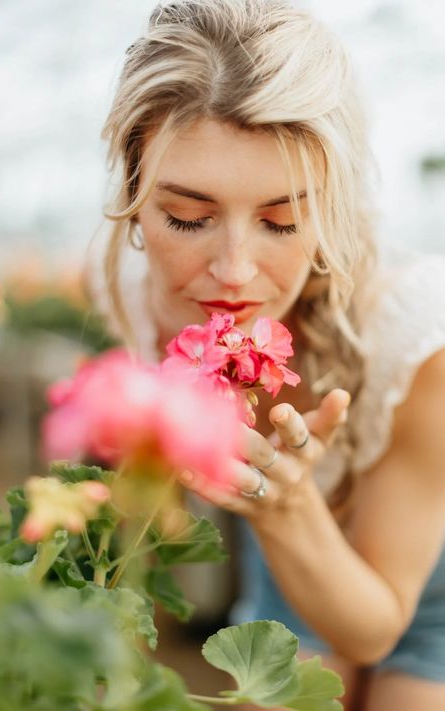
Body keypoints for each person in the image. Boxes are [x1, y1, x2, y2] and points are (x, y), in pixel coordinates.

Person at [97, 1, 445, 709]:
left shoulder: (417, 329)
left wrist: (287, 507)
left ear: (333, 212)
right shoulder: (140, 302)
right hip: (292, 557)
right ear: (135, 195)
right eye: (187, 218)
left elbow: (376, 628)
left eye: (282, 222)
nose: (232, 270)